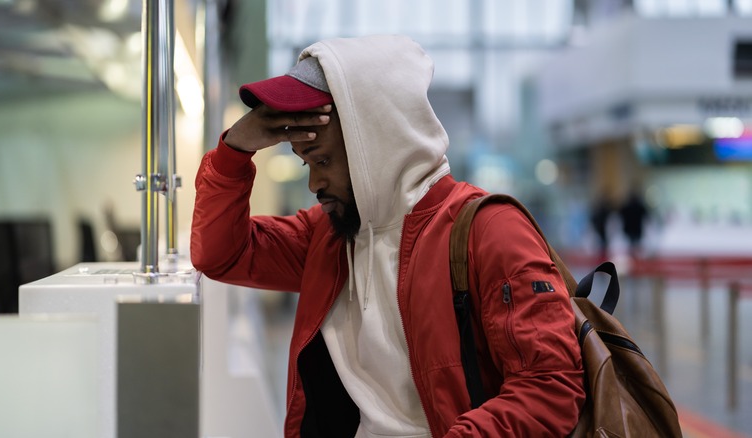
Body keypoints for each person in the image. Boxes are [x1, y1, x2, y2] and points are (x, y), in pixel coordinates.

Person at [191, 35, 584, 437]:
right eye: (307, 162)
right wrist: (234, 151)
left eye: (323, 160)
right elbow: (222, 254)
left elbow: (549, 387)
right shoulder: (330, 238)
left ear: (375, 142)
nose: (314, 183)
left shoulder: (489, 231)